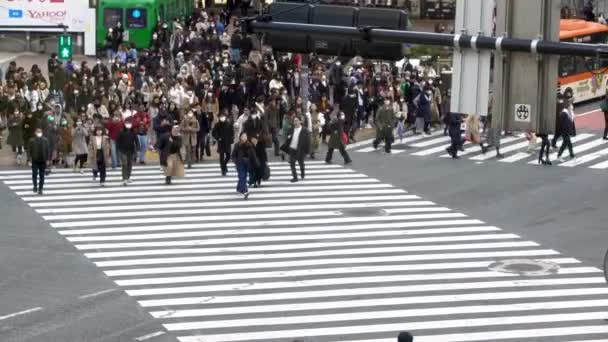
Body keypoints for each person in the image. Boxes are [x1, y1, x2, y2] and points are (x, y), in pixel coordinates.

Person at [282, 116, 310, 183]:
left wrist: (308, 152)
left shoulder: (304, 130)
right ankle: (295, 177)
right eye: (294, 121)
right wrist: (284, 150)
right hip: (292, 149)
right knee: (292, 163)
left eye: (297, 120)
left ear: (300, 121)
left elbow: (308, 142)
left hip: (300, 150)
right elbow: (287, 140)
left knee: (301, 163)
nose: (296, 122)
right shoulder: (291, 130)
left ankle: (302, 173)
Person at [231, 132, 257, 199]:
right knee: (242, 176)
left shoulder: (250, 145)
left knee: (243, 177)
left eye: (245, 136)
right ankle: (245, 191)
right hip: (240, 163)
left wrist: (256, 163)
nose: (244, 138)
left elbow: (253, 155)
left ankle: (239, 188)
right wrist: (235, 161)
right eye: (243, 136)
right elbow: (233, 155)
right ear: (240, 137)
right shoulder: (237, 145)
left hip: (247, 164)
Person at [116, 119, 139, 186]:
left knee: (130, 164)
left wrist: (137, 148)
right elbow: (118, 141)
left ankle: (128, 177)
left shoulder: (133, 132)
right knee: (124, 164)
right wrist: (119, 148)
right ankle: (124, 178)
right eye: (127, 123)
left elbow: (136, 140)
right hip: (123, 150)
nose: (128, 124)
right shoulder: (121, 131)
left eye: (129, 123)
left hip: (131, 150)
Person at [28, 127, 49, 195]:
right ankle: (35, 186)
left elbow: (47, 150)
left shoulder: (45, 140)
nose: (39, 133)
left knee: (42, 175)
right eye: (38, 132)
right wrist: (29, 160)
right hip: (35, 160)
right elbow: (29, 151)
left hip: (43, 160)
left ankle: (40, 188)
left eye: (40, 132)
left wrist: (48, 159)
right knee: (34, 174)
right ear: (35, 133)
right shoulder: (32, 140)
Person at [212, 112, 234, 176]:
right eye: (221, 117)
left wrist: (231, 140)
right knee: (221, 156)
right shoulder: (217, 125)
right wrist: (218, 138)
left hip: (227, 142)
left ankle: (224, 165)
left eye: (223, 116)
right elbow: (214, 133)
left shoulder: (229, 124)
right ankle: (223, 169)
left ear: (226, 117)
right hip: (221, 142)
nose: (222, 118)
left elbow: (232, 132)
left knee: (228, 156)